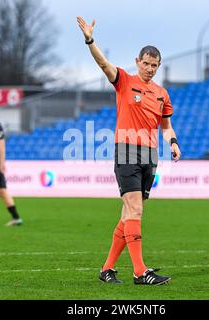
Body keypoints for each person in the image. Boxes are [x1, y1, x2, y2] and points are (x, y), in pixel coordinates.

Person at [77, 17, 181, 285]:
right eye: (145, 63)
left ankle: (107, 269)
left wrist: (173, 142)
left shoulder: (162, 94)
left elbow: (166, 126)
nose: (149, 68)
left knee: (129, 214)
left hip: (150, 155)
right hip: (126, 151)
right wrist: (90, 39)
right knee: (134, 211)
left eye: (154, 65)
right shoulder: (123, 80)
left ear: (158, 67)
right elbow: (103, 63)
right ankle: (140, 272)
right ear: (137, 61)